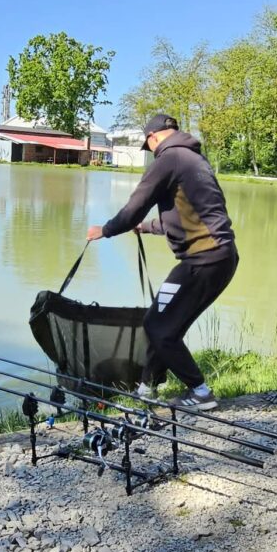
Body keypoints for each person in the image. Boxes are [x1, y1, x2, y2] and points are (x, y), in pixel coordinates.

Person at [86, 114, 238, 411]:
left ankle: (201, 392)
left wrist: (105, 230)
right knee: (163, 321)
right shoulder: (195, 160)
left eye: (149, 144)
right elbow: (186, 215)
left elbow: (134, 208)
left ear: (154, 137)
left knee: (158, 325)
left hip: (203, 260)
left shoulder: (167, 159)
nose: (151, 150)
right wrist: (146, 228)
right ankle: (146, 388)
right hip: (219, 257)